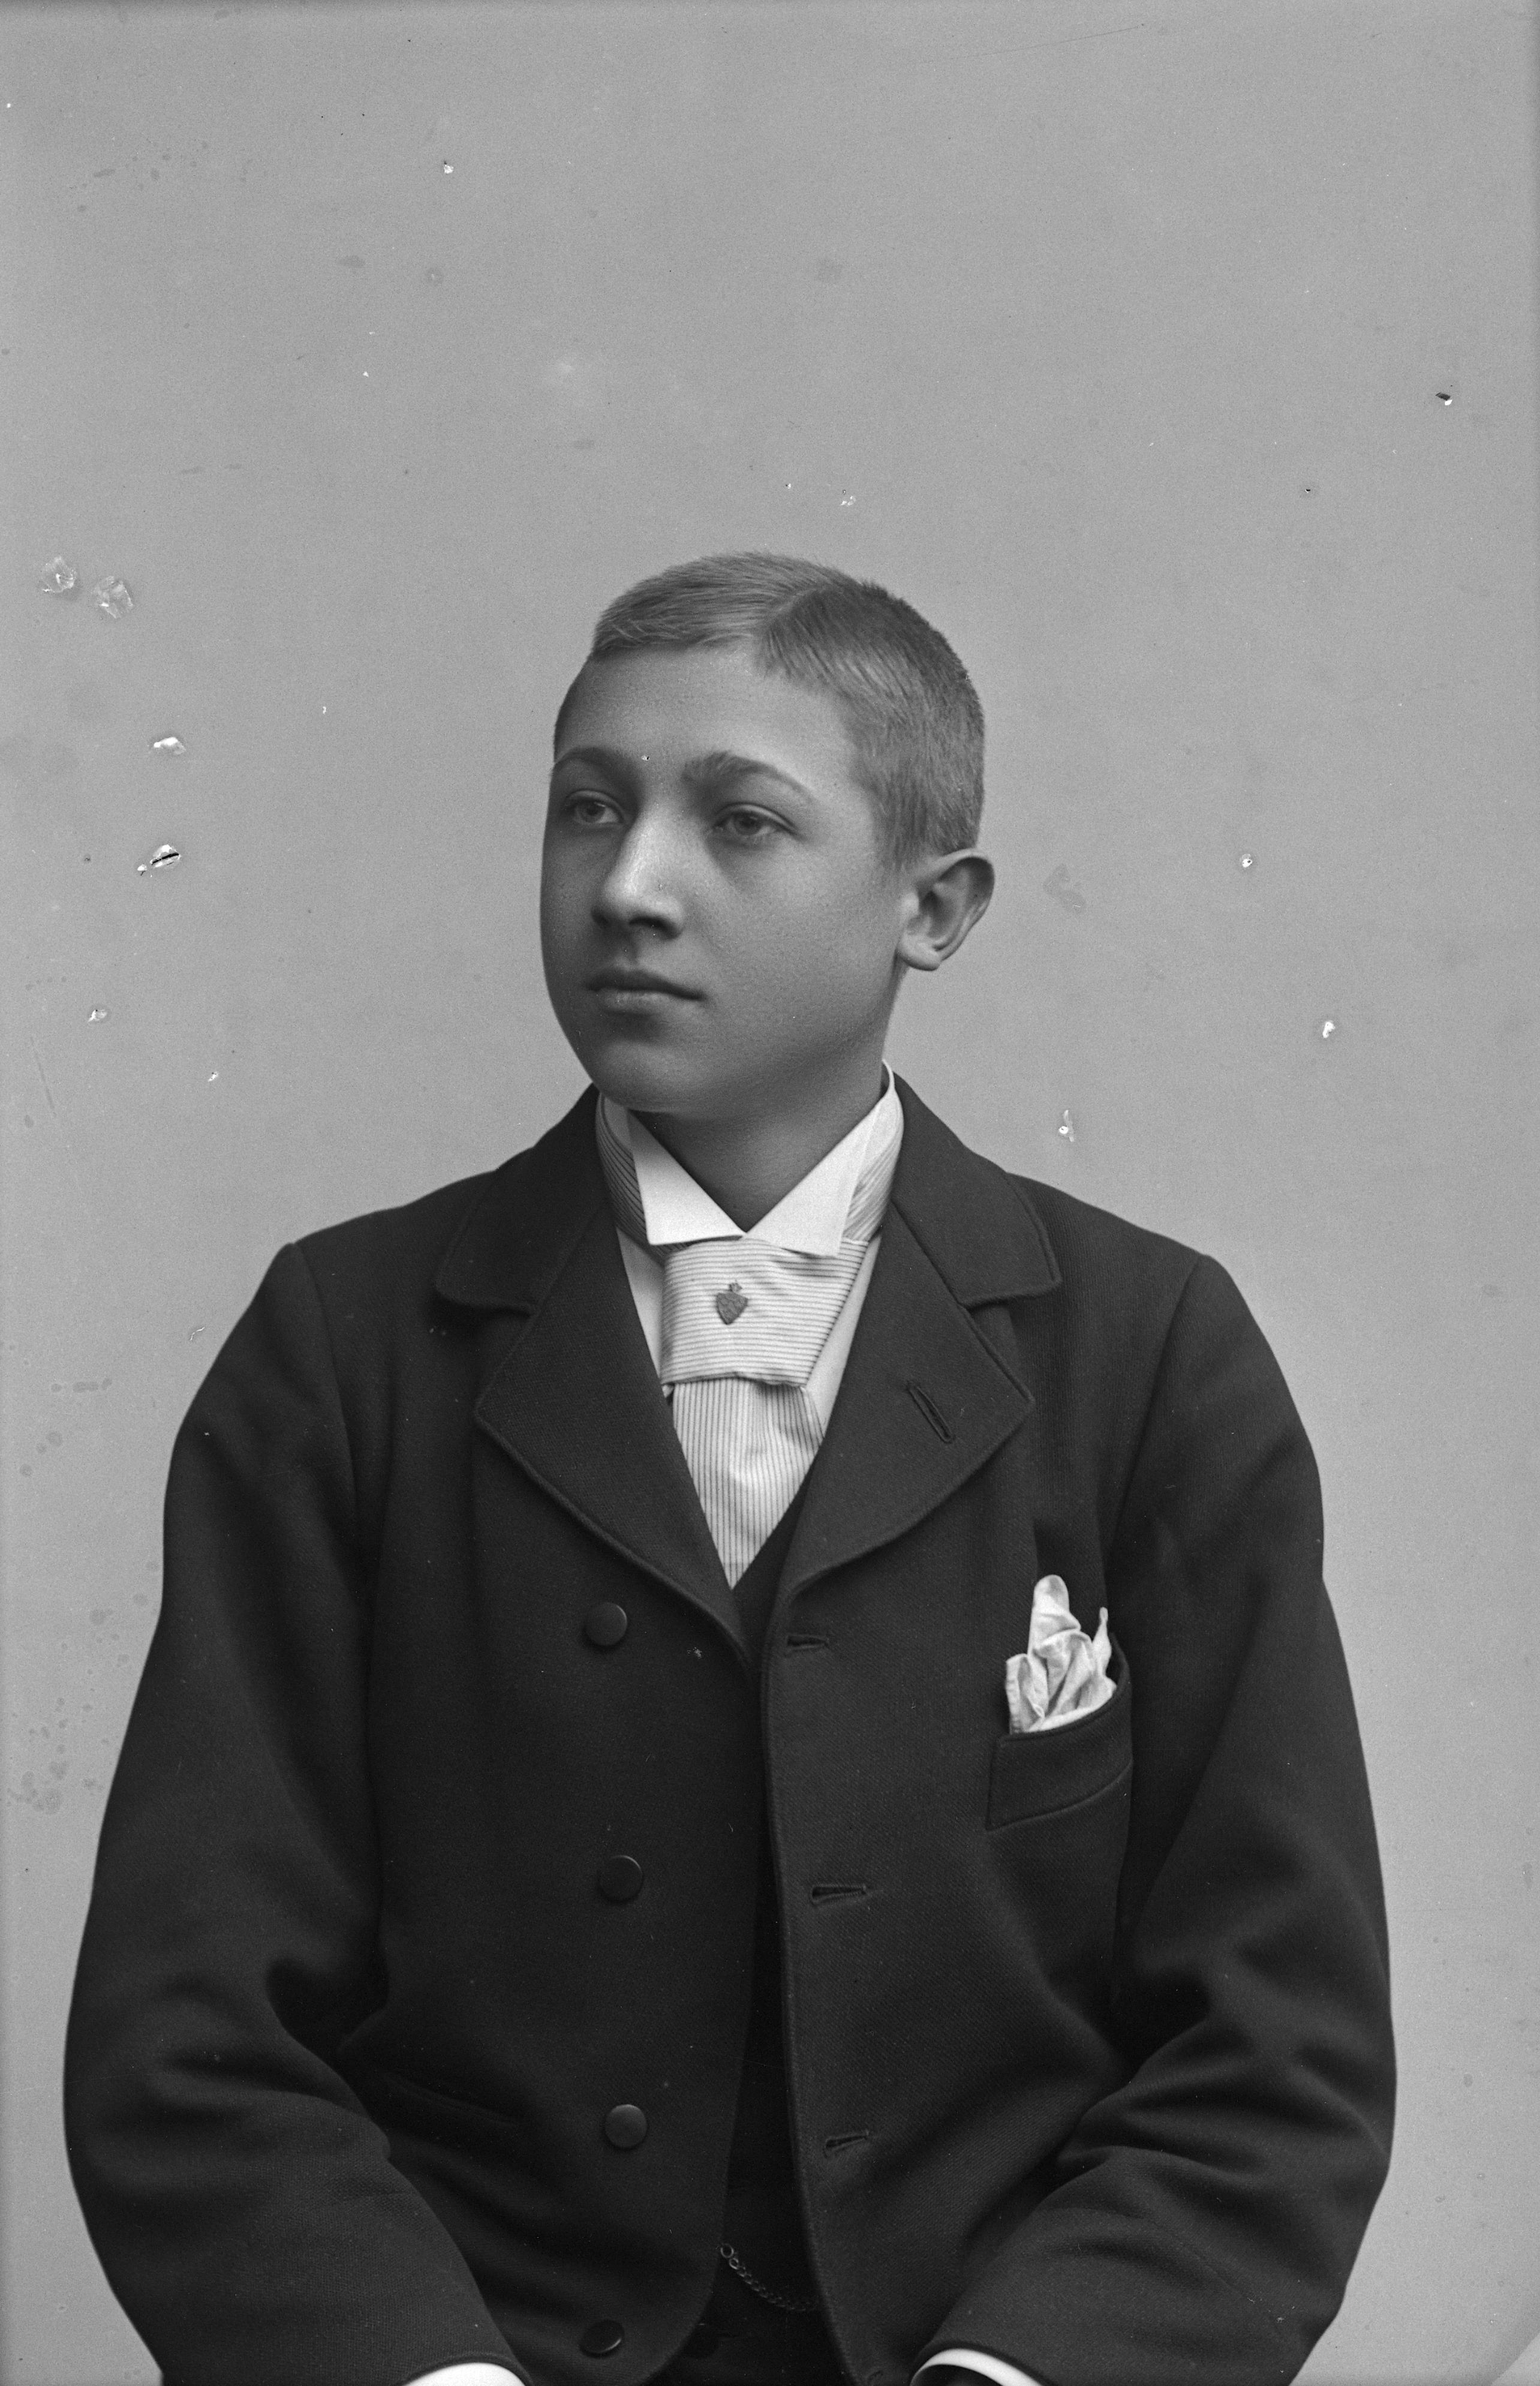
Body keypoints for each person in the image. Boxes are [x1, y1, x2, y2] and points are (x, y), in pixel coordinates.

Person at [64, 554, 1394, 2386]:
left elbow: (1277, 2044)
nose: (629, 885)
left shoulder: (1150, 1354)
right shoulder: (344, 1350)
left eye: (740, 821)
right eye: (587, 808)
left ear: (935, 908)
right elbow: (194, 2037)